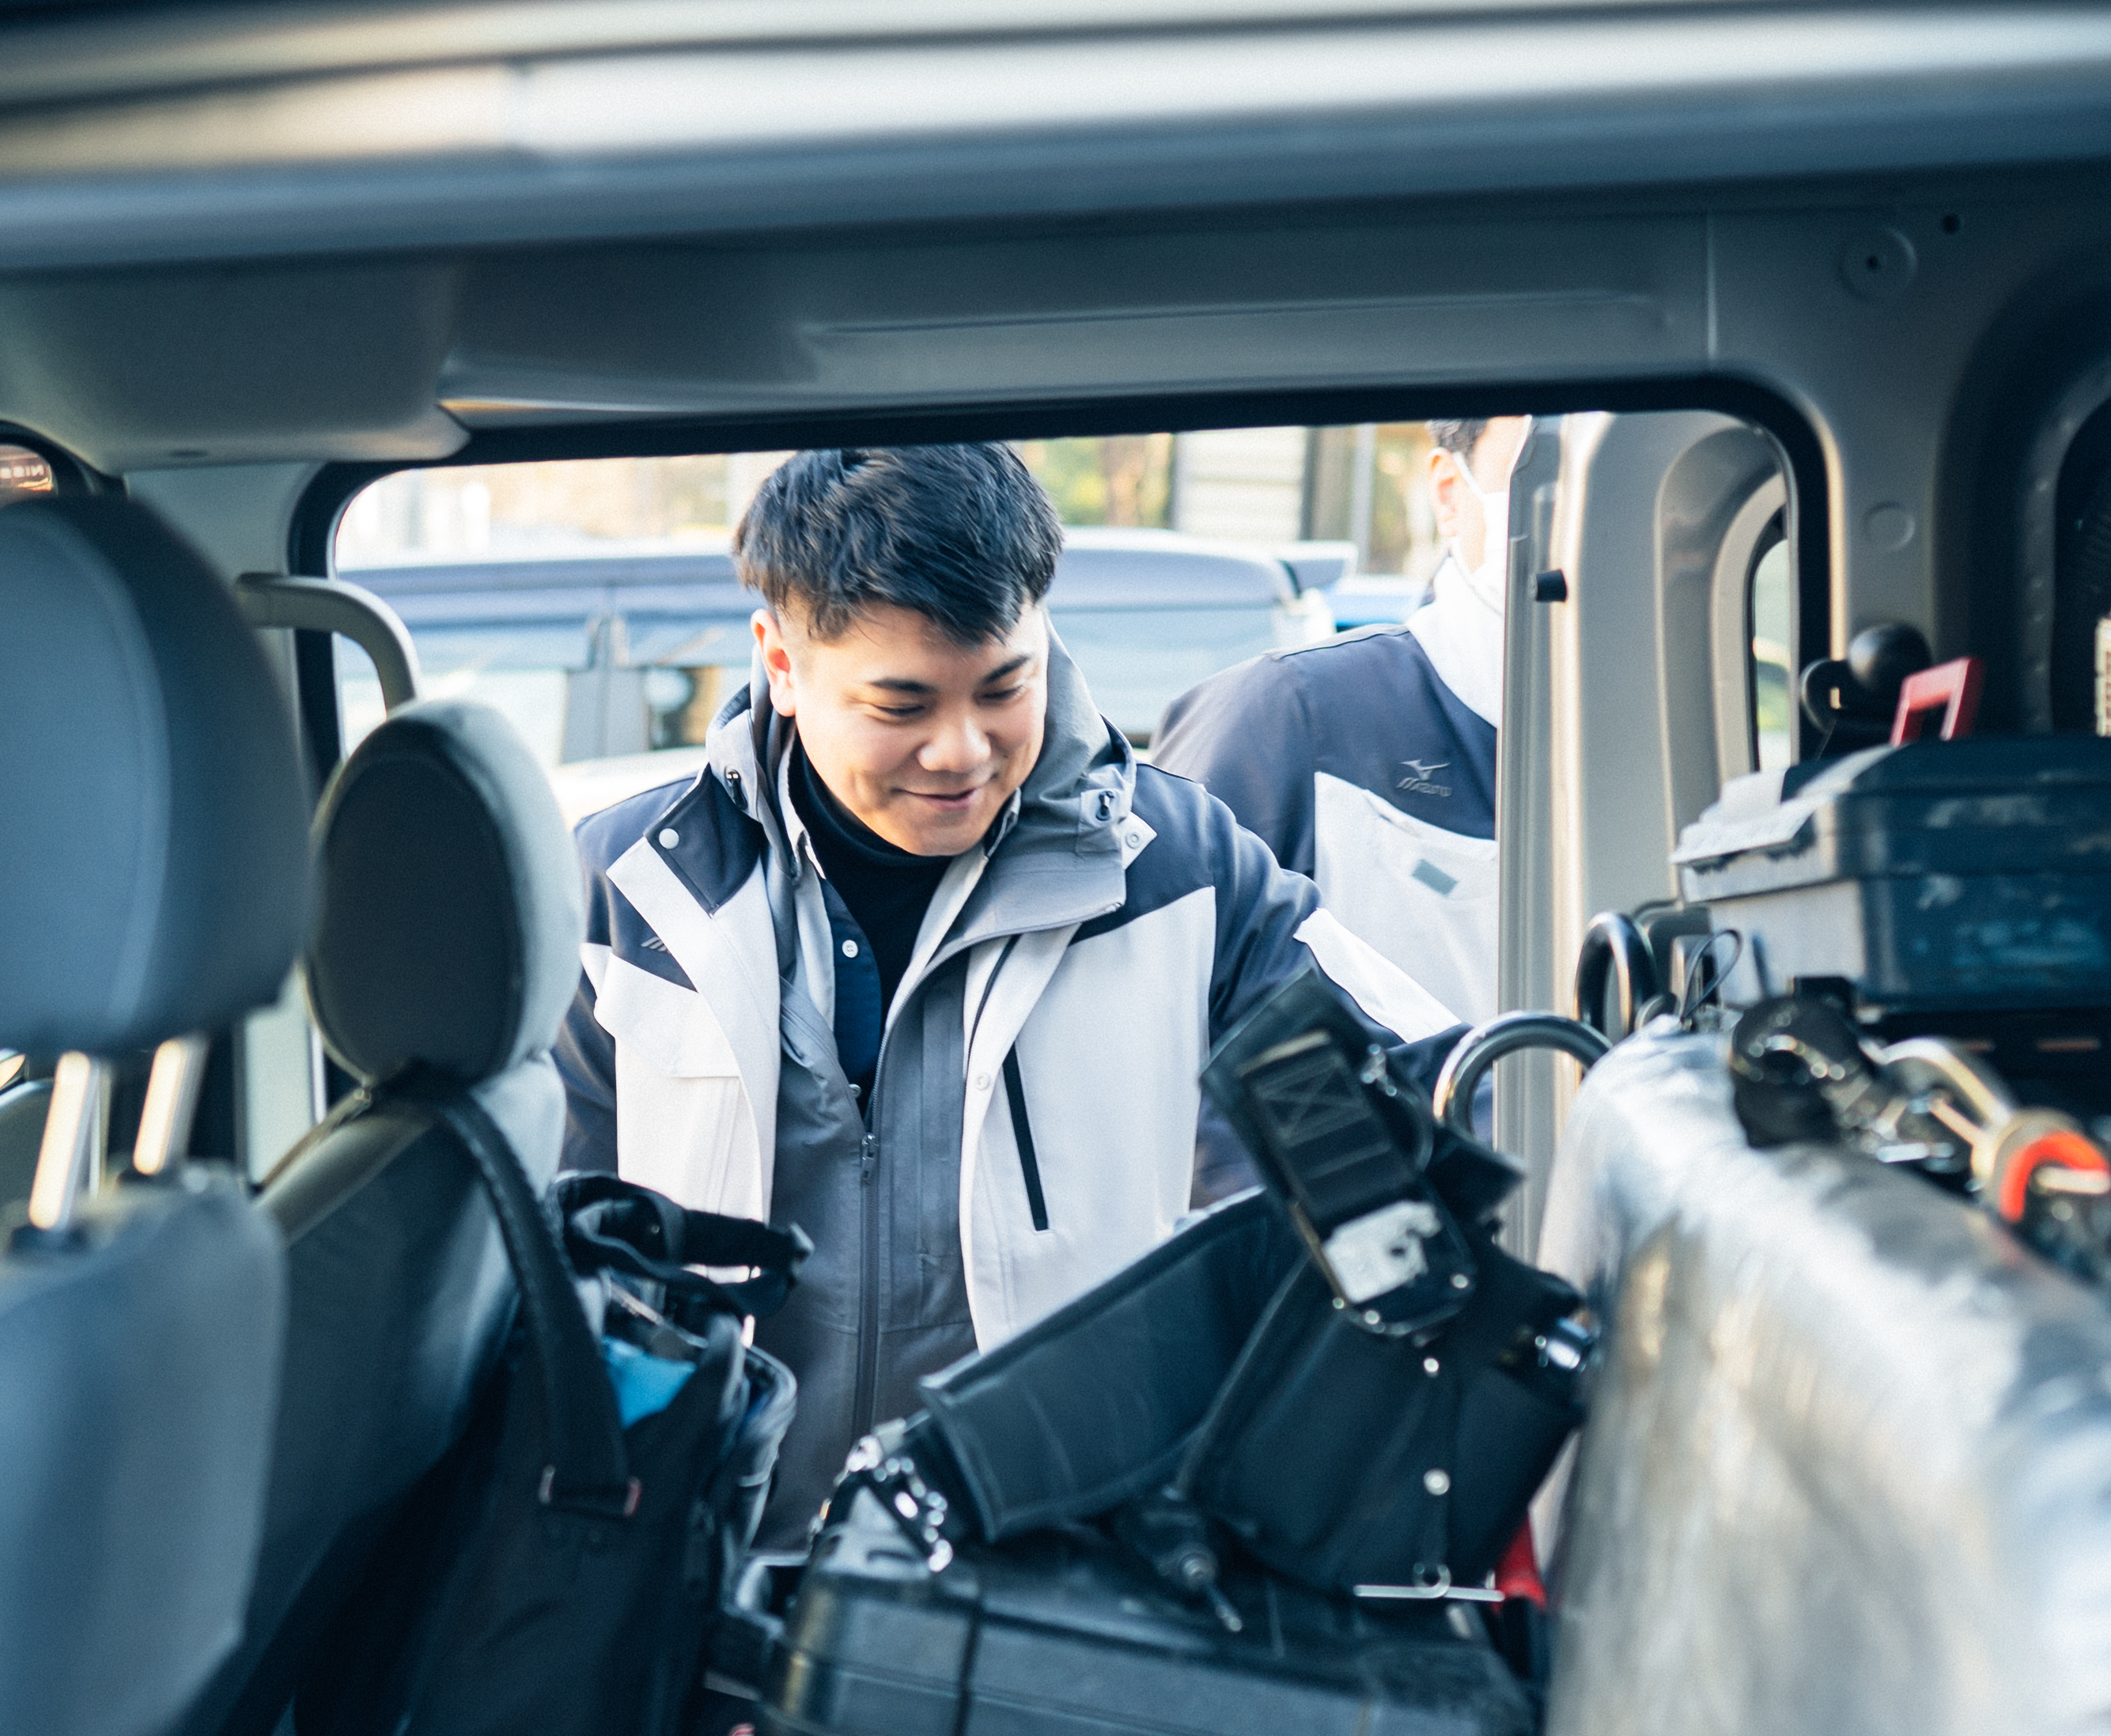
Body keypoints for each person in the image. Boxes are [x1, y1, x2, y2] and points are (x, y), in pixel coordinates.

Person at [554, 444, 1449, 1526]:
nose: (961, 750)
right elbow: (547, 1258)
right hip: (704, 1575)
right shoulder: (628, 893)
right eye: (902, 707)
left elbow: (1431, 1094)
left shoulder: (1178, 871)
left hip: (1056, 1584)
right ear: (781, 666)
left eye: (1003, 687)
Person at [1151, 416, 1528, 1032]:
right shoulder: (1289, 721)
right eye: (1543, 472)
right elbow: (1170, 1012)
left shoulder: (1703, 748)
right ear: (1447, 493)